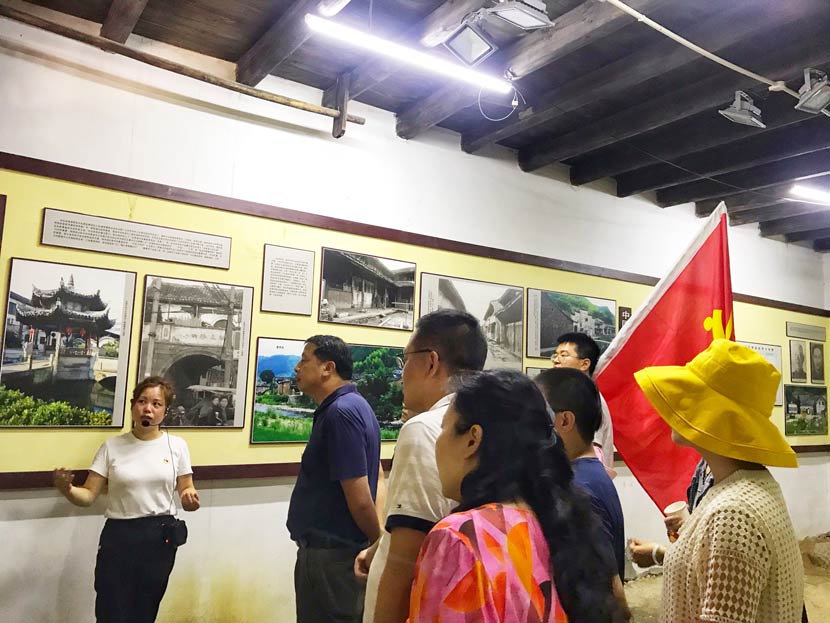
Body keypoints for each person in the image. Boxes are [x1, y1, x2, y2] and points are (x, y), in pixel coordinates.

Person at [409, 370, 620, 623]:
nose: (438, 442)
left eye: (444, 428)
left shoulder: (459, 539)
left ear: (472, 439)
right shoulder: (559, 519)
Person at [634, 339, 804, 623]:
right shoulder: (747, 485)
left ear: (718, 419)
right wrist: (662, 552)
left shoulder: (733, 513)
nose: (677, 407)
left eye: (690, 397)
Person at [357, 309, 487, 623]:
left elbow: (406, 557)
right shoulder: (487, 424)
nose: (402, 373)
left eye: (405, 360)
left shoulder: (426, 429)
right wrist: (378, 547)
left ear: (431, 362)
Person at [53, 376, 200, 623]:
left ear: (165, 411)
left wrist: (188, 498)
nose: (148, 409)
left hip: (159, 537)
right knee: (111, 609)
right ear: (132, 406)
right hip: (120, 536)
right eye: (142, 401)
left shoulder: (177, 446)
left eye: (156, 404)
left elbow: (186, 488)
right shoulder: (111, 447)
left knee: (145, 610)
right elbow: (88, 495)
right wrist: (67, 488)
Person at [287, 335, 382, 623]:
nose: (297, 368)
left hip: (333, 557)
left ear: (328, 368)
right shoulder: (353, 405)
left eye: (305, 360)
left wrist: (379, 543)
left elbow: (360, 497)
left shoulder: (341, 412)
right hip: (333, 554)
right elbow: (377, 473)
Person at [535, 368, 630, 620]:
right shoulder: (591, 475)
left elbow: (614, 593)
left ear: (564, 421)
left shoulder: (579, 487)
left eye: (536, 414)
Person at [551, 332, 614, 473]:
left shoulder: (588, 398)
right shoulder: (570, 396)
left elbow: (594, 454)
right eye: (555, 355)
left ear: (584, 364)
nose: (556, 360)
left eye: (563, 355)